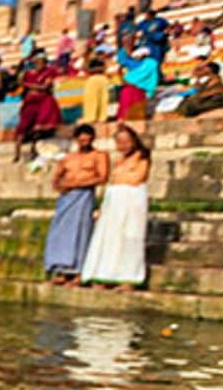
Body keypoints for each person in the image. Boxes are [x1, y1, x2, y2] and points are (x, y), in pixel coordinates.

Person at [79, 125, 153, 291]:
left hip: (131, 201)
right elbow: (113, 180)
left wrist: (122, 179)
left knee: (129, 239)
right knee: (109, 239)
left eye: (126, 141)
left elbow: (137, 178)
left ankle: (128, 279)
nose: (123, 145)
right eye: (119, 142)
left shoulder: (142, 156)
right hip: (114, 202)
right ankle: (105, 276)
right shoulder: (119, 161)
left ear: (134, 140)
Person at [45, 125, 109, 285]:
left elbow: (102, 177)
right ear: (76, 139)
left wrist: (78, 184)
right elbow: (56, 178)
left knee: (81, 233)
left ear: (93, 139)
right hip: (66, 198)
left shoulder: (99, 156)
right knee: (60, 233)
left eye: (87, 139)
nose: (84, 142)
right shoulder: (68, 157)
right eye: (81, 139)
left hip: (84, 197)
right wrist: (60, 186)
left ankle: (79, 273)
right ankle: (61, 271)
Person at [14, 54, 62, 160]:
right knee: (22, 128)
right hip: (30, 101)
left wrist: (26, 85)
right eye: (36, 62)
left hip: (43, 101)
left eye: (41, 62)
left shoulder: (49, 72)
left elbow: (45, 87)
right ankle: (16, 154)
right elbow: (19, 83)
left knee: (37, 127)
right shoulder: (29, 74)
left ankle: (33, 150)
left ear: (45, 63)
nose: (38, 65)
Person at [116, 35, 159, 121]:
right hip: (131, 89)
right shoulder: (123, 54)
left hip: (137, 90)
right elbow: (121, 67)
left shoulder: (149, 63)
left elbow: (151, 77)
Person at [79, 57, 111, 125]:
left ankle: (91, 118)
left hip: (93, 79)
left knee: (92, 99)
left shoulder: (92, 62)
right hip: (103, 79)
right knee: (103, 99)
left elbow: (86, 69)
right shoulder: (100, 63)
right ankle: (102, 118)